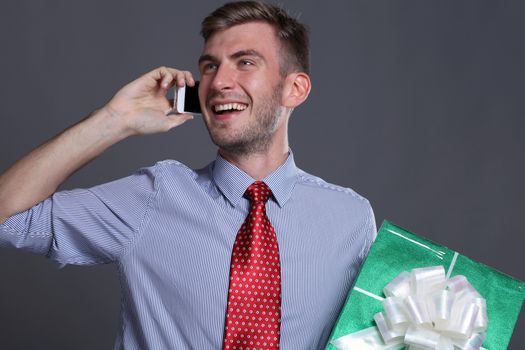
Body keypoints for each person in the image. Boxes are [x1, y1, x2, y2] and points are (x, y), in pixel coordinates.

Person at [0, 1, 376, 349]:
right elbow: (7, 216)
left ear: (294, 89)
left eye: (244, 62)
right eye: (210, 66)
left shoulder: (351, 219)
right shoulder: (153, 197)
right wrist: (115, 121)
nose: (219, 81)